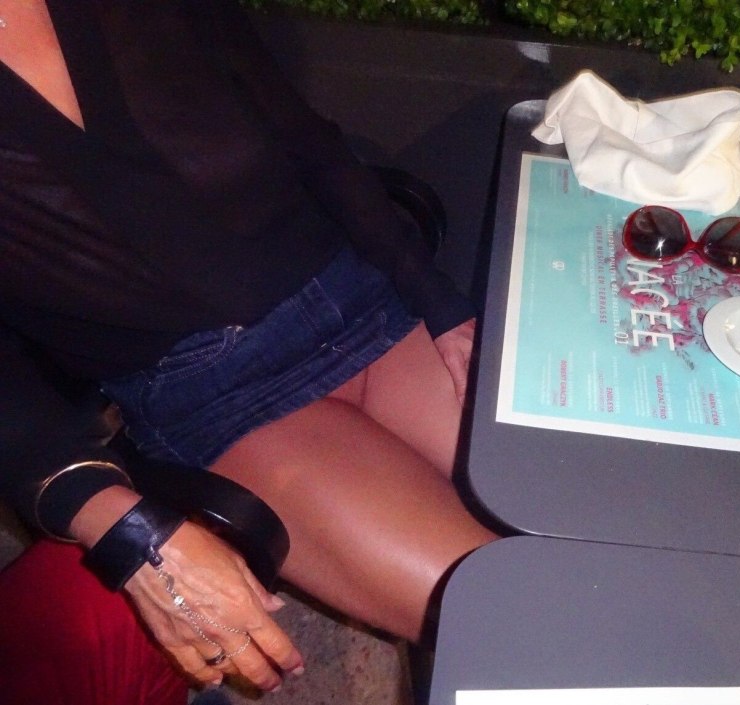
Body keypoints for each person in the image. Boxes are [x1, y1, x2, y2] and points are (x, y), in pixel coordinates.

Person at [0, 0, 499, 698]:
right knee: (520, 611)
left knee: (596, 516)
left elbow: (304, 138)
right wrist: (112, 517)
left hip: (359, 298)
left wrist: (440, 304)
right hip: (217, 397)